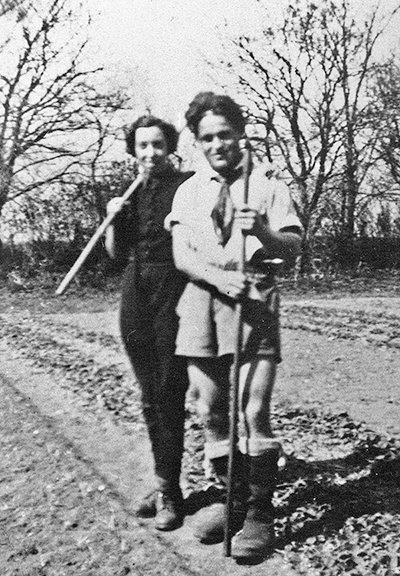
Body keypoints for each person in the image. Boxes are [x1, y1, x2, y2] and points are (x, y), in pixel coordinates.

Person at [166, 92, 302, 560]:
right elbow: (182, 255)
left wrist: (263, 230)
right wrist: (221, 276)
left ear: (241, 132)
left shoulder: (267, 183)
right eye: (207, 138)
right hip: (204, 298)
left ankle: (261, 514)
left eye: (225, 134)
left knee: (252, 410)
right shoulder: (189, 189)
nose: (217, 144)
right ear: (197, 143)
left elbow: (293, 247)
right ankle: (233, 501)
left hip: (254, 297)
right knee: (210, 409)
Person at [105, 115, 193, 531]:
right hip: (135, 289)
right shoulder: (130, 193)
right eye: (142, 146)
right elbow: (115, 253)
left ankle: (171, 492)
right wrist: (113, 216)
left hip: (173, 289)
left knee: (168, 390)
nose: (149, 154)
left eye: (157, 145)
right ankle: (164, 482)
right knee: (147, 394)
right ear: (133, 150)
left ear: (170, 146)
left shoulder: (188, 186)